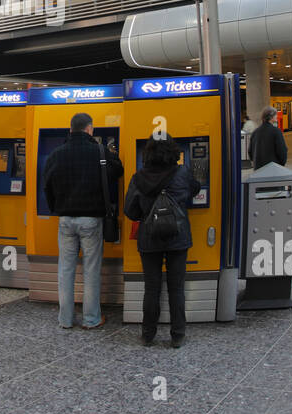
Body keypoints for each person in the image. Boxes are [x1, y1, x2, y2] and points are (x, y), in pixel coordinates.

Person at [42, 112, 123, 330]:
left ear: (70, 130)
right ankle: (91, 319)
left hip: (66, 219)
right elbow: (119, 170)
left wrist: (56, 208)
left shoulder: (57, 154)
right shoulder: (100, 151)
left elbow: (47, 185)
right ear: (90, 130)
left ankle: (65, 319)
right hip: (91, 220)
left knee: (65, 270)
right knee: (91, 270)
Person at [123, 134, 201, 348]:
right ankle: (177, 335)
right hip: (177, 236)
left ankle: (148, 334)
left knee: (152, 288)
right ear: (173, 151)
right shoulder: (182, 172)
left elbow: (130, 210)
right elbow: (195, 189)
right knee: (176, 288)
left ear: (147, 153)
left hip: (149, 238)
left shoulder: (138, 177)